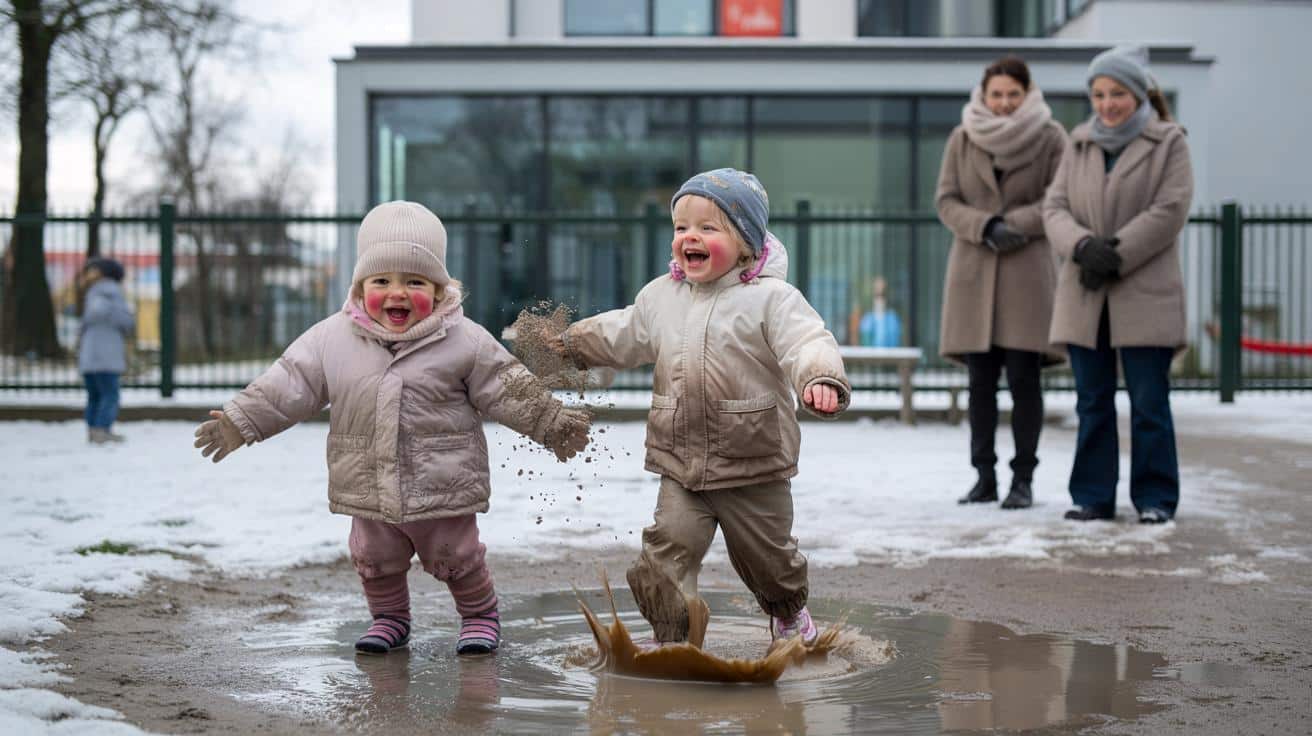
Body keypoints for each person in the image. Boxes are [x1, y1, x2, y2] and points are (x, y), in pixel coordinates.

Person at [192, 201, 592, 655]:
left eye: (414, 282)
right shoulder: (331, 339)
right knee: (374, 558)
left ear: (440, 290)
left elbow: (507, 385)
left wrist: (551, 422)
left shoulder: (462, 339)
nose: (396, 293)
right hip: (368, 482)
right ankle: (389, 620)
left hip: (442, 481)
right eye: (381, 281)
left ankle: (480, 615)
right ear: (360, 287)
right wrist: (243, 420)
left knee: (455, 555)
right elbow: (290, 383)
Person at [551, 168, 851, 646]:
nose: (689, 237)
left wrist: (819, 376)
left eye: (708, 228)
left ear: (746, 242)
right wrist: (571, 344)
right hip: (682, 465)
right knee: (662, 560)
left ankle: (790, 615)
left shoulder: (770, 299)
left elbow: (807, 340)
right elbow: (623, 332)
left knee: (769, 561)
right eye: (681, 228)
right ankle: (675, 639)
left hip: (754, 464)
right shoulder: (661, 297)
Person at [1043, 46, 1193, 524]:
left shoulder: (1169, 141)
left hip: (1144, 292)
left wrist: (1116, 254)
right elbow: (1054, 208)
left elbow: (1170, 210)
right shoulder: (1079, 142)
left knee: (1149, 402)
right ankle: (1092, 495)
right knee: (1092, 401)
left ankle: (1155, 497)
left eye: (1117, 93)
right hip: (1086, 291)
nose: (1107, 103)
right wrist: (1084, 247)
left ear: (1138, 93)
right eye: (1099, 93)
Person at [935, 55, 1068, 510]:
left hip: (1026, 271)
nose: (1005, 103)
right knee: (980, 385)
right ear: (984, 95)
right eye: (997, 94)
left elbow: (1060, 197)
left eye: (1014, 94)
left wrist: (1017, 225)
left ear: (1027, 94)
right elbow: (946, 200)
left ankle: (1024, 479)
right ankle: (984, 476)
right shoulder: (962, 137)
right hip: (974, 271)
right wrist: (986, 225)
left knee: (1025, 381)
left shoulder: (1051, 137)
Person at [78, 257, 134, 444]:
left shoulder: (91, 293)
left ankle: (93, 429)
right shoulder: (112, 292)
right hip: (107, 356)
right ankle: (102, 429)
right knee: (110, 395)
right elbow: (125, 321)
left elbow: (88, 320)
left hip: (89, 356)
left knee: (94, 396)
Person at [849, 276, 902, 348]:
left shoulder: (892, 318)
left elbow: (895, 343)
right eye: (877, 295)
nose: (879, 299)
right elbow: (865, 344)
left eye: (882, 295)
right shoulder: (867, 319)